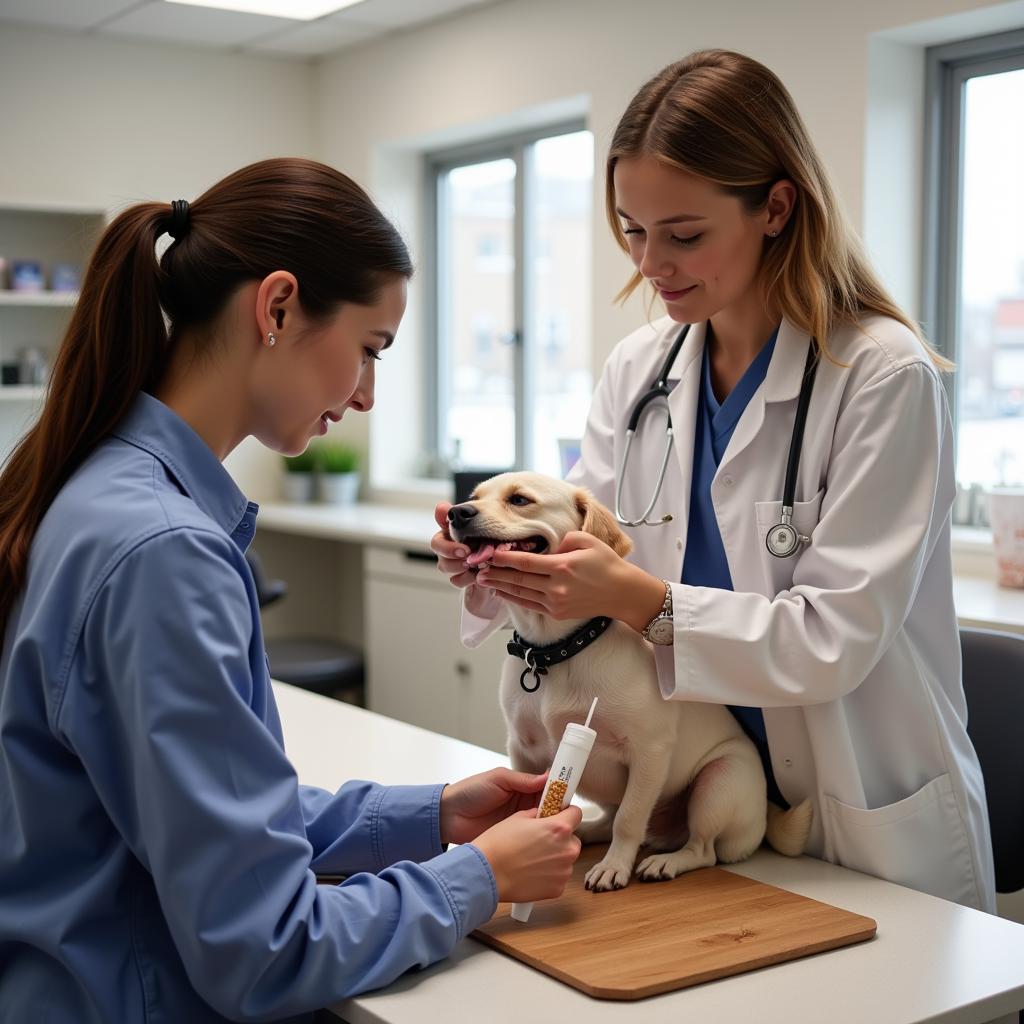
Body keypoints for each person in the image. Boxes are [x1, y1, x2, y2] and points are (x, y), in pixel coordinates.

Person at [0, 158, 582, 1024]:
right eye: (370, 351)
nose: (369, 396)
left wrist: (432, 816)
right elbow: (265, 949)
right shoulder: (164, 552)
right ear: (275, 308)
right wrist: (481, 879)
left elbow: (211, 822)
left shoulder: (100, 488)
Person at [432, 50, 996, 914]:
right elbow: (581, 538)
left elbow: (833, 637)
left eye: (684, 234)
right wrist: (503, 560)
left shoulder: (881, 376)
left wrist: (643, 599)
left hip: (853, 817)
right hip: (676, 804)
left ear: (776, 206)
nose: (652, 263)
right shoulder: (639, 370)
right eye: (631, 229)